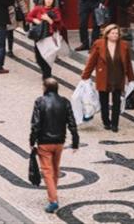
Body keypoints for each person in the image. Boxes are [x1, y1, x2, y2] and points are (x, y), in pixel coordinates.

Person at [29, 78, 79, 214]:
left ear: (45, 88)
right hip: (59, 142)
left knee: (47, 171)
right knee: (55, 169)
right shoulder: (64, 102)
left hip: (44, 143)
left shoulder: (40, 102)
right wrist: (75, 141)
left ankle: (53, 200)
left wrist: (32, 141)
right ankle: (53, 193)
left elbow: (35, 124)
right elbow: (72, 122)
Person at [81, 24, 134, 132]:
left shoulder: (124, 45)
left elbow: (128, 63)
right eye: (113, 33)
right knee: (104, 101)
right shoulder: (99, 44)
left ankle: (115, 124)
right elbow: (92, 61)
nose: (115, 35)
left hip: (118, 76)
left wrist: (131, 78)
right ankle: (106, 121)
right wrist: (85, 76)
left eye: (117, 33)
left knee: (117, 101)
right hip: (104, 77)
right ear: (107, 34)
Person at [26, 0, 63, 79]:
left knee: (48, 57)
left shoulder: (55, 10)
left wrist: (49, 19)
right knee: (38, 58)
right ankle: (45, 72)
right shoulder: (38, 8)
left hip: (49, 36)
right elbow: (28, 17)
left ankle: (47, 75)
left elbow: (59, 25)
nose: (49, 1)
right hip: (39, 36)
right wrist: (35, 20)